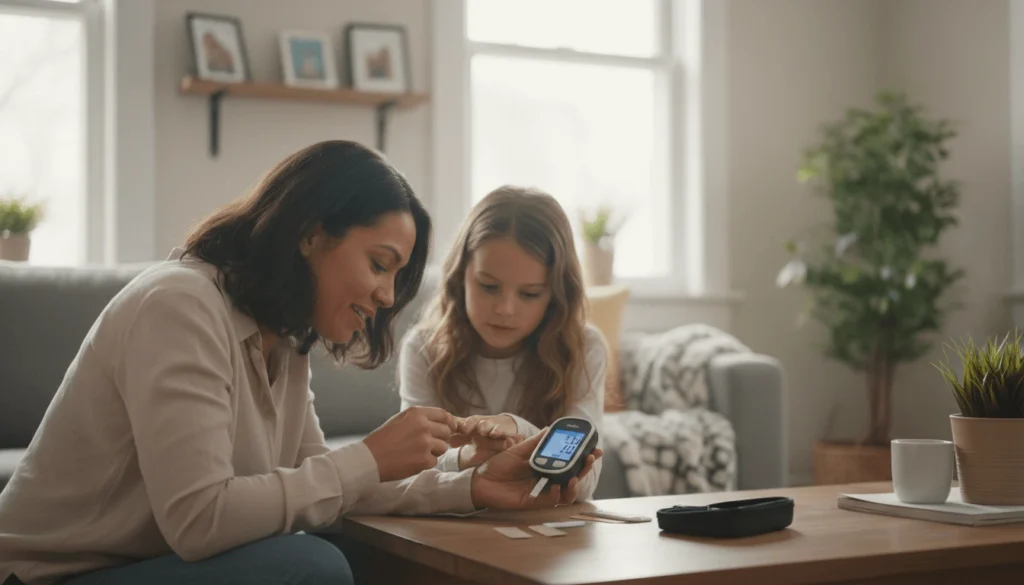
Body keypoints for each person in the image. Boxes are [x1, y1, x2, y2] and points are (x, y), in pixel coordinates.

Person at [0, 142, 599, 585]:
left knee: (362, 551)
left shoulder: (283, 339)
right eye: (379, 264)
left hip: (149, 565)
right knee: (310, 566)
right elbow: (199, 520)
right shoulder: (179, 305)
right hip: (52, 575)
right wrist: (370, 457)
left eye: (397, 275)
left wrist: (470, 485)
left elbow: (327, 484)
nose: (388, 295)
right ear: (311, 235)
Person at [398, 185, 608, 502]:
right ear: (460, 275)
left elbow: (583, 484)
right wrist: (467, 456)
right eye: (488, 286)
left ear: (556, 293)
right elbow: (409, 468)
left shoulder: (584, 346)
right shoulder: (423, 348)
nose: (505, 309)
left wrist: (516, 428)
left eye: (530, 294)